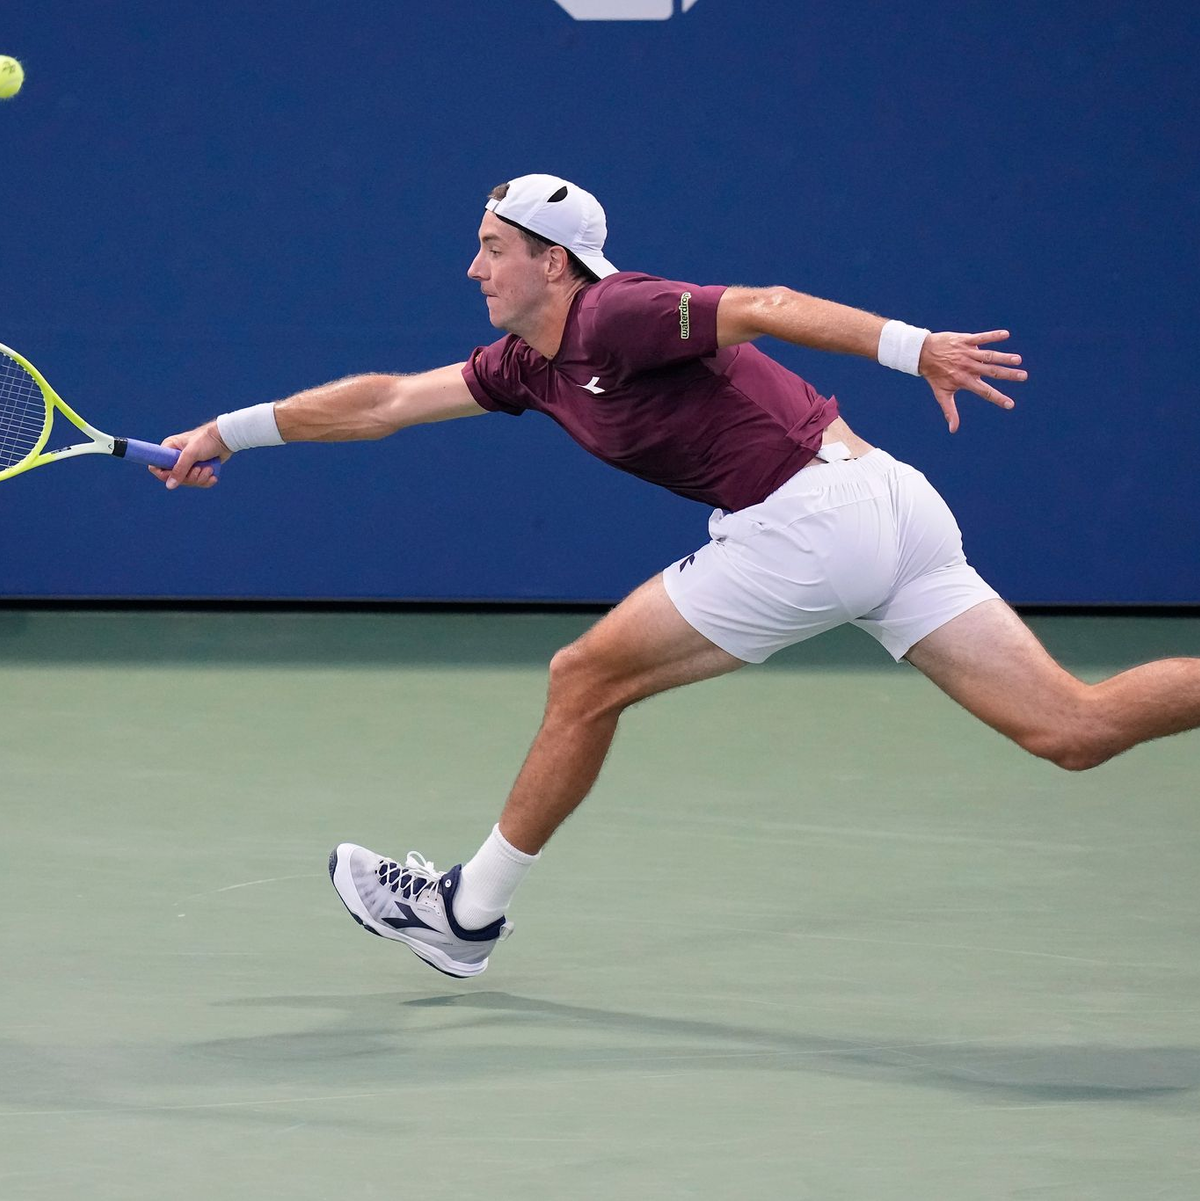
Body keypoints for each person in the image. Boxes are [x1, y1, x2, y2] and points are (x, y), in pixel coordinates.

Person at [152, 174, 1200, 979]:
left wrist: (913, 345)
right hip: (892, 506)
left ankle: (466, 915)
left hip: (816, 519)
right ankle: (465, 913)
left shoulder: (621, 313)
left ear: (557, 262)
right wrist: (230, 434)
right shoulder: (526, 364)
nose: (475, 268)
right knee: (1074, 729)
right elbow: (382, 402)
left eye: (495, 250)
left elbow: (770, 302)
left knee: (585, 677)